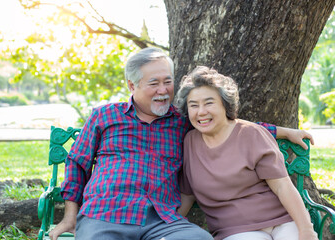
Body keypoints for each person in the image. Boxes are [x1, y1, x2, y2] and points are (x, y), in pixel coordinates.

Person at [49, 48, 314, 240]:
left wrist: (282, 131)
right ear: (131, 85)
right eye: (154, 83)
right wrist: (69, 218)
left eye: (168, 82)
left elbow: (225, 124)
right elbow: (77, 163)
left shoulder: (181, 122)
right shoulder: (105, 116)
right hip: (107, 214)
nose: (163, 90)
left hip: (163, 220)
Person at [175, 66, 318, 240]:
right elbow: (187, 196)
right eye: (193, 105)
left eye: (209, 103)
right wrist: (168, 228)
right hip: (236, 231)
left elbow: (283, 186)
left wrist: (306, 230)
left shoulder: (251, 133)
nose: (201, 111)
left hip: (282, 222)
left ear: (224, 104)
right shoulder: (189, 143)